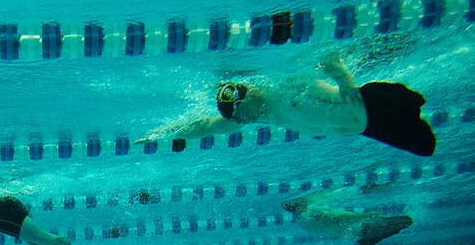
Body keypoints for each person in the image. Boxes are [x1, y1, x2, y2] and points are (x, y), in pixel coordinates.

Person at [136, 55, 436, 156]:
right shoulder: (259, 114)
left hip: (373, 105)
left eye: (241, 113)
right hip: (366, 127)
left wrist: (338, 69)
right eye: (238, 117)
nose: (242, 121)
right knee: (426, 147)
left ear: (249, 95)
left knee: (422, 126)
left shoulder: (287, 87)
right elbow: (206, 126)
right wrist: (160, 133)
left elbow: (344, 95)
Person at [280, 188, 413, 245]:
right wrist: (364, 215)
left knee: (401, 225)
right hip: (364, 227)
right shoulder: (313, 211)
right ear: (299, 202)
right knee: (409, 220)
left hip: (356, 236)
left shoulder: (301, 222)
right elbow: (338, 217)